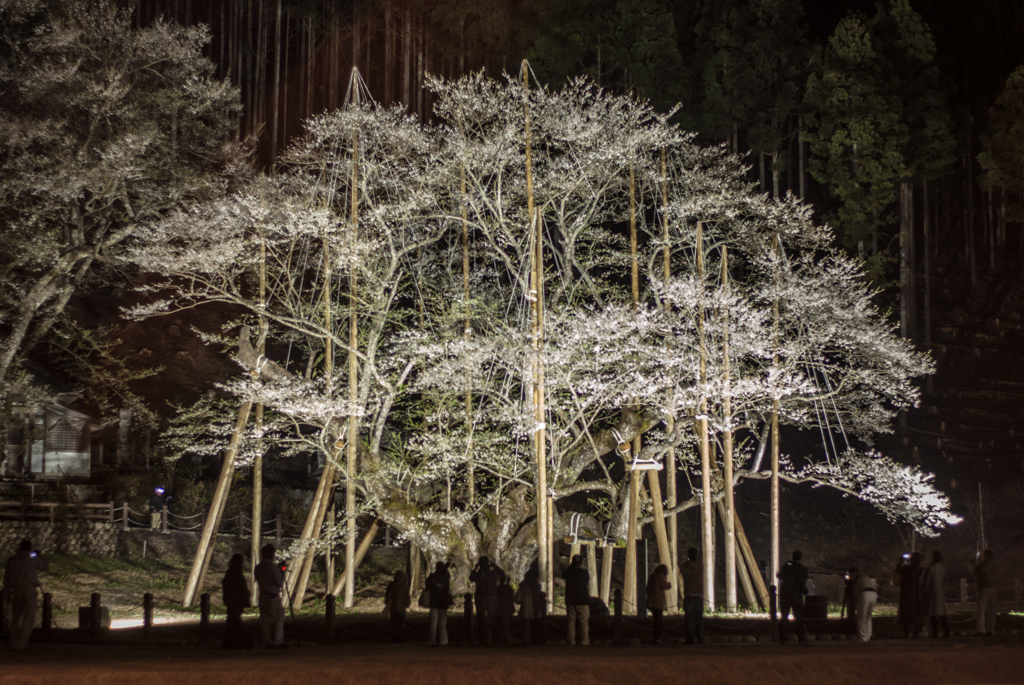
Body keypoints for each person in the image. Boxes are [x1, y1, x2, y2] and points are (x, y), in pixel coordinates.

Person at [3, 539, 49, 651]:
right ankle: (22, 643)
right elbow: (44, 566)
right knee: (28, 616)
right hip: (29, 588)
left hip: (16, 589)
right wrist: (40, 555)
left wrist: (7, 594)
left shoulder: (12, 560)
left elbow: (6, 579)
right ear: (29, 547)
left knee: (15, 616)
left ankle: (13, 641)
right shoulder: (31, 557)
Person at [253, 544, 286, 648]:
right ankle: (278, 641)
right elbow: (279, 582)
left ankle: (266, 642)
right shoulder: (272, 567)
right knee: (278, 618)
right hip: (272, 596)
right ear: (272, 554)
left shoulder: (258, 567)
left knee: (265, 620)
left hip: (262, 595)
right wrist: (282, 572)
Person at [777, 550, 809, 644]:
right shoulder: (803, 569)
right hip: (797, 596)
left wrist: (786, 565)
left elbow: (779, 575)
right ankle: (801, 638)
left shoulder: (787, 567)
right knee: (799, 618)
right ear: (801, 558)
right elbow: (803, 582)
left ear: (792, 557)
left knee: (784, 617)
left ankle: (782, 638)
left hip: (786, 595)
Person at [221, 553, 252, 649]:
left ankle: (230, 641)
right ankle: (236, 640)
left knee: (232, 619)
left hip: (232, 600)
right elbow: (240, 588)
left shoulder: (231, 572)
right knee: (234, 620)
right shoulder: (236, 573)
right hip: (236, 600)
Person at [469, 556, 498, 644]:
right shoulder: (492, 573)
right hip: (490, 599)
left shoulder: (479, 574)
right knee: (492, 620)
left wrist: (475, 568)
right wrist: (494, 566)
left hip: (481, 600)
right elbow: (502, 574)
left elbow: (471, 577)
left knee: (481, 620)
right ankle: (496, 639)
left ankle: (483, 639)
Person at [562, 554, 590, 646]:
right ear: (581, 563)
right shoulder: (584, 573)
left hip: (571, 600)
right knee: (584, 622)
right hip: (583, 600)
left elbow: (563, 575)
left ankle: (571, 641)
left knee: (571, 622)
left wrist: (570, 567)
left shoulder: (568, 572)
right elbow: (587, 580)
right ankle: (584, 641)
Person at [895, 552, 924, 638]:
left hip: (905, 593)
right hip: (915, 593)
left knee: (905, 612)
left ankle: (906, 632)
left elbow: (897, 572)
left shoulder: (906, 568)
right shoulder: (921, 570)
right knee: (915, 612)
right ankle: (916, 632)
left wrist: (900, 562)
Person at [922, 551, 950, 639]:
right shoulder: (943, 568)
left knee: (932, 613)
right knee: (941, 613)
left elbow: (926, 581)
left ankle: (935, 632)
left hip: (932, 592)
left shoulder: (931, 568)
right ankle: (946, 631)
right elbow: (945, 581)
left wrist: (924, 590)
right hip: (940, 592)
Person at [424, 561, 453, 645]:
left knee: (434, 623)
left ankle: (432, 641)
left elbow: (427, 587)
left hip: (435, 601)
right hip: (442, 602)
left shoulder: (433, 576)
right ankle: (443, 641)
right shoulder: (445, 576)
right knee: (442, 623)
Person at [514, 563, 543, 645]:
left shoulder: (523, 587)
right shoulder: (537, 588)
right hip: (536, 611)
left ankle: (525, 642)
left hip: (525, 611)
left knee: (525, 628)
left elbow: (517, 599)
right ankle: (535, 641)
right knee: (535, 628)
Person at [681, 547, 705, 644]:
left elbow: (683, 571)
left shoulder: (684, 566)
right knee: (699, 617)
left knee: (689, 617)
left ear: (688, 555)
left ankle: (690, 638)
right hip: (699, 593)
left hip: (689, 593)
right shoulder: (700, 565)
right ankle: (701, 637)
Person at [973, 549, 998, 636]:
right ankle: (990, 630)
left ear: (985, 556)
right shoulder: (994, 566)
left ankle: (981, 630)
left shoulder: (981, 566)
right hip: (993, 588)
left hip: (983, 588)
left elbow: (975, 572)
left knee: (981, 610)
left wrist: (973, 563)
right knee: (991, 610)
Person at [646, 563, 671, 645]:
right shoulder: (660, 576)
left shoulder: (652, 576)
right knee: (658, 622)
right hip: (657, 602)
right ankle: (657, 639)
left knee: (656, 620)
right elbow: (663, 586)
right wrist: (668, 584)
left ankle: (656, 638)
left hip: (651, 601)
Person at [850, 568, 878, 642]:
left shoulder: (858, 578)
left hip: (865, 594)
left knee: (861, 616)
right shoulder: (866, 577)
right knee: (868, 616)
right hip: (874, 594)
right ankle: (868, 636)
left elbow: (855, 592)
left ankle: (862, 637)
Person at [384, 569, 411, 643]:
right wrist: (407, 604)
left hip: (393, 608)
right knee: (401, 625)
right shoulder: (405, 586)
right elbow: (407, 597)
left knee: (393, 625)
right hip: (401, 609)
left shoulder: (393, 585)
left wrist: (387, 602)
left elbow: (389, 596)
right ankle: (400, 639)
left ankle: (392, 639)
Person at [496, 570, 515, 644]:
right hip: (507, 608)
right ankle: (507, 639)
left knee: (502, 624)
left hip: (501, 608)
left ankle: (505, 639)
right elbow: (511, 597)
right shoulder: (508, 588)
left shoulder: (498, 588)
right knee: (506, 623)